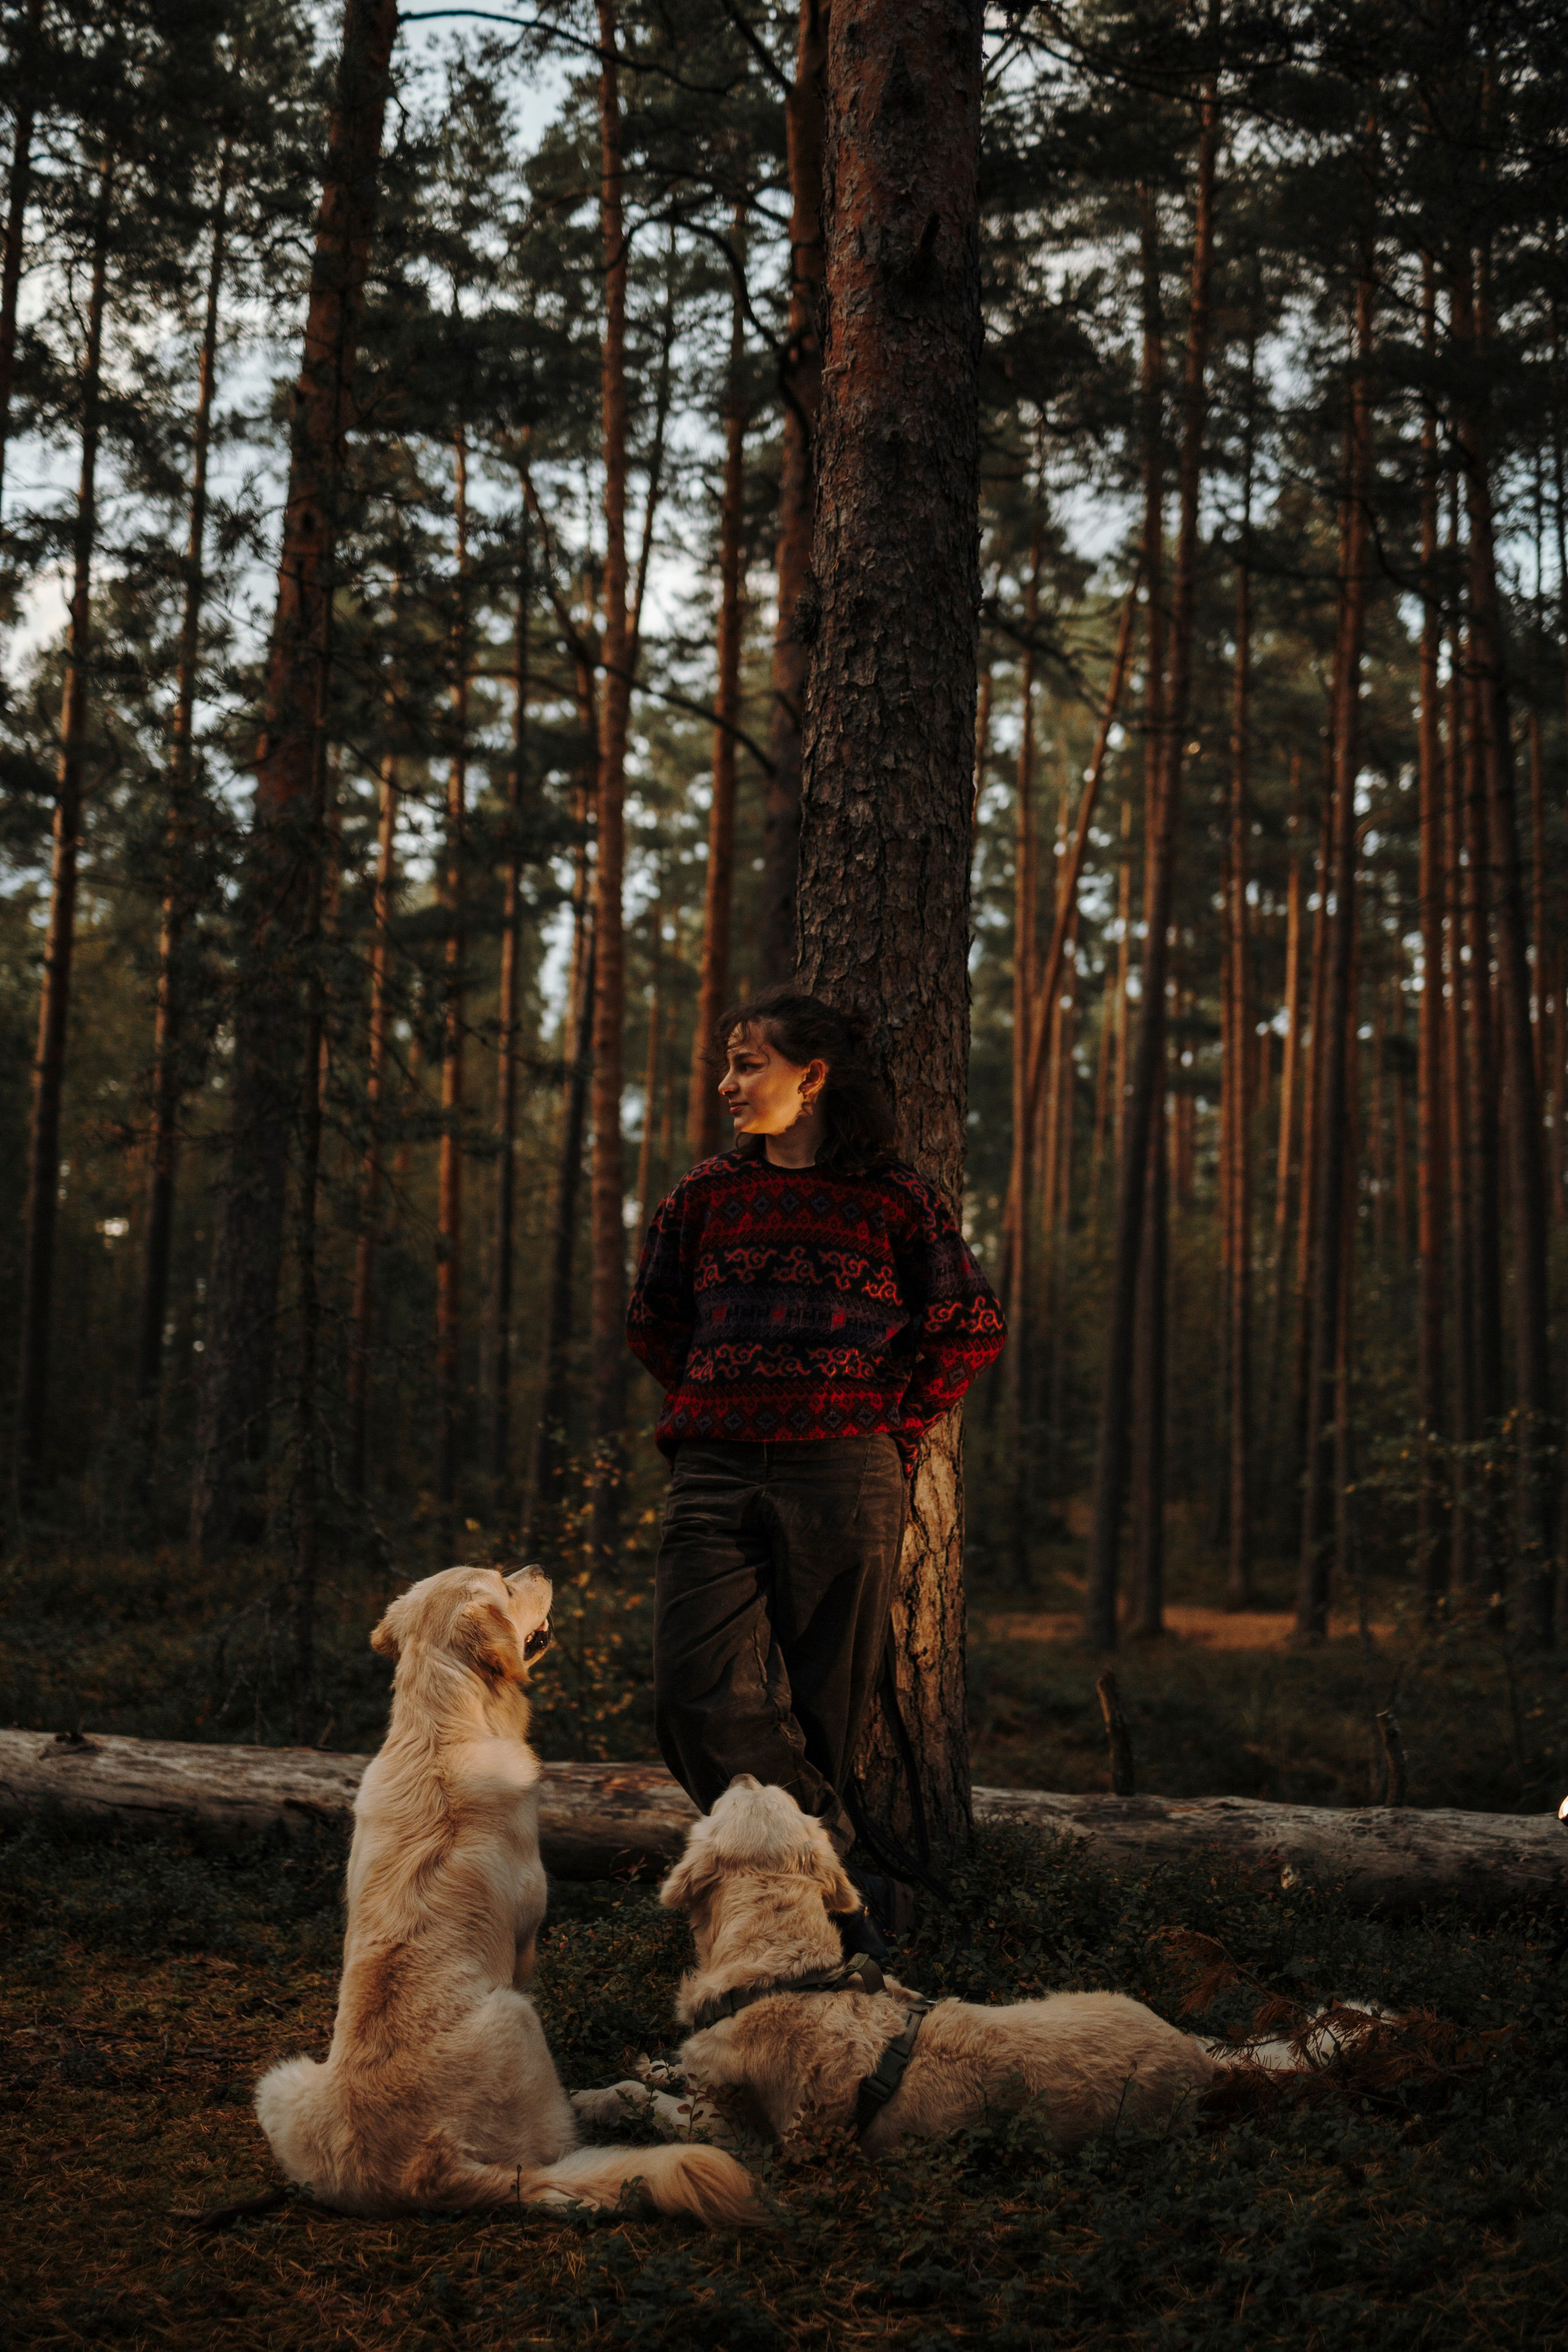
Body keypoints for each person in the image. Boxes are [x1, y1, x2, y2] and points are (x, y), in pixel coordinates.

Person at [626, 986, 1005, 1943]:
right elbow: (654, 1321)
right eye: (729, 1064)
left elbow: (968, 1326)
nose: (727, 1084)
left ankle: (791, 1938)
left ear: (815, 1076)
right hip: (715, 1472)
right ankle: (846, 1883)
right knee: (692, 1694)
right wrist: (724, 1394)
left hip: (843, 1476)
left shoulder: (897, 1200)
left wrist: (888, 1424)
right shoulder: (703, 1196)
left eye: (748, 1064)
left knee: (825, 1711)